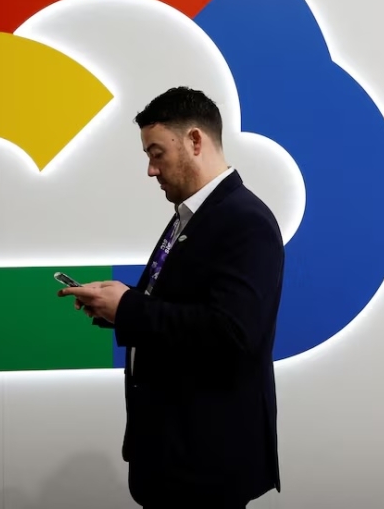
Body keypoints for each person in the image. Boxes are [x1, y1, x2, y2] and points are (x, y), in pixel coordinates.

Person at [58, 86, 284, 509]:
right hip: (172, 454)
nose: (150, 170)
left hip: (205, 463)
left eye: (156, 153)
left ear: (195, 141)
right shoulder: (193, 216)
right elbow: (181, 307)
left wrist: (131, 308)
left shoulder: (244, 221)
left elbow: (233, 332)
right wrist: (116, 308)